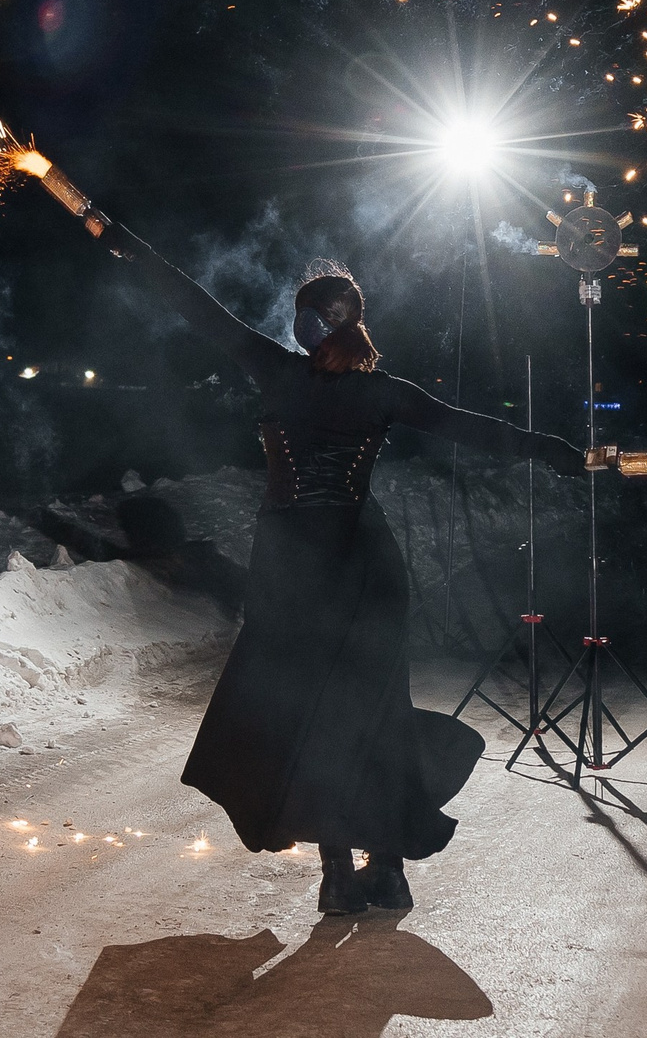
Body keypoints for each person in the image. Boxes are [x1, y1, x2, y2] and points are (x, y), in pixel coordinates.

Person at [94, 220, 582, 916]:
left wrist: (119, 240)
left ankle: (341, 873)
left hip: (295, 562)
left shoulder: (276, 368)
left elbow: (195, 306)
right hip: (359, 562)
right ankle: (381, 865)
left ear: (312, 321)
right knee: (371, 710)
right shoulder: (384, 391)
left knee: (303, 711)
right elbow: (475, 426)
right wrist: (548, 446)